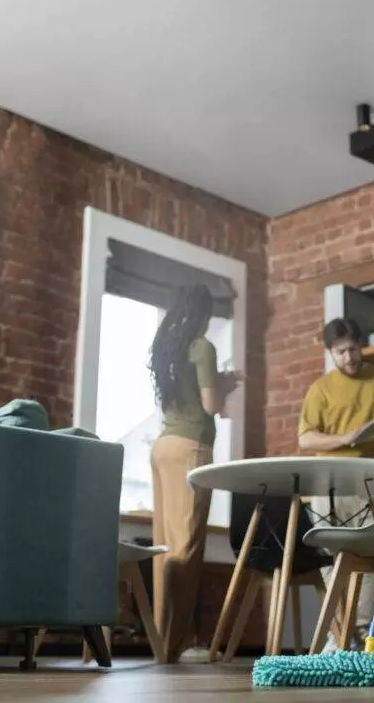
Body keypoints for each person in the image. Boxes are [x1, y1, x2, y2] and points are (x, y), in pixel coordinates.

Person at [298, 317, 374, 652]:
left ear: (361, 345)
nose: (349, 357)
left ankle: (367, 637)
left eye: (353, 349)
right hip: (329, 483)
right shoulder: (320, 389)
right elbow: (305, 438)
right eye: (340, 352)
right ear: (330, 353)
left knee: (373, 557)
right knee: (330, 557)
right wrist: (348, 437)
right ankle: (339, 635)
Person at [147, 283, 240, 664]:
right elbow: (211, 404)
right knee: (187, 548)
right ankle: (175, 644)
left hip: (163, 447)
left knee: (165, 547)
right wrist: (228, 383)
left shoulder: (166, 348)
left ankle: (161, 641)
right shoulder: (202, 346)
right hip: (191, 448)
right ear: (203, 313)